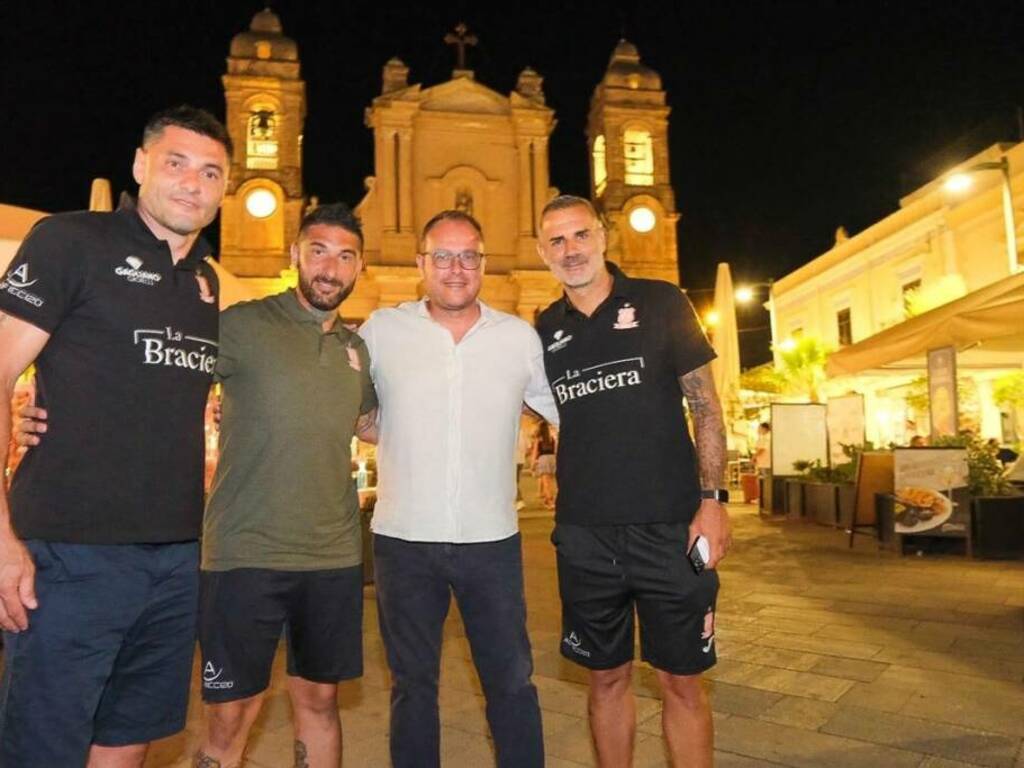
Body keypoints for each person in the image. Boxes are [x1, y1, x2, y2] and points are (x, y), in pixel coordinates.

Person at [0, 106, 230, 766]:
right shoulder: (70, 242)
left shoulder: (208, 283)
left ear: (223, 190)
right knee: (42, 747)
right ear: (140, 165)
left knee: (127, 743)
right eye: (176, 163)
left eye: (210, 172)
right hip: (70, 555)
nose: (192, 183)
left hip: (176, 558)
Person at [534, 195, 732, 768]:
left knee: (682, 682)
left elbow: (708, 408)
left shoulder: (661, 301)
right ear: (542, 253)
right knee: (605, 681)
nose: (570, 250)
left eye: (580, 236)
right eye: (557, 241)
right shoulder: (545, 329)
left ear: (603, 236)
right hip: (585, 535)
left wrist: (713, 502)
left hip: (671, 528)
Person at [359, 210, 557, 768]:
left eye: (468, 255)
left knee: (512, 682)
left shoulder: (518, 339)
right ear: (422, 263)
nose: (455, 268)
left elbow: (570, 414)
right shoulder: (382, 330)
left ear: (483, 264)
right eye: (442, 256)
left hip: (491, 539)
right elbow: (342, 400)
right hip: (402, 539)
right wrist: (372, 425)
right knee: (412, 686)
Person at [194, 204, 377, 767]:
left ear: (359, 267)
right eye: (318, 250)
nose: (330, 267)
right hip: (245, 550)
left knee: (320, 701)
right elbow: (165, 382)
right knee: (232, 710)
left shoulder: (357, 349)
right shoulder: (244, 324)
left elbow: (375, 424)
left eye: (345, 256)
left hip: (332, 554)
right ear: (294, 254)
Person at [531, 421, 558, 509]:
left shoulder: (539, 440)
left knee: (546, 483)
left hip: (543, 459)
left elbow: (535, 453)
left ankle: (550, 501)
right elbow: (555, 451)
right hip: (552, 458)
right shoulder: (551, 439)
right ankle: (550, 499)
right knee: (551, 482)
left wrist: (532, 465)